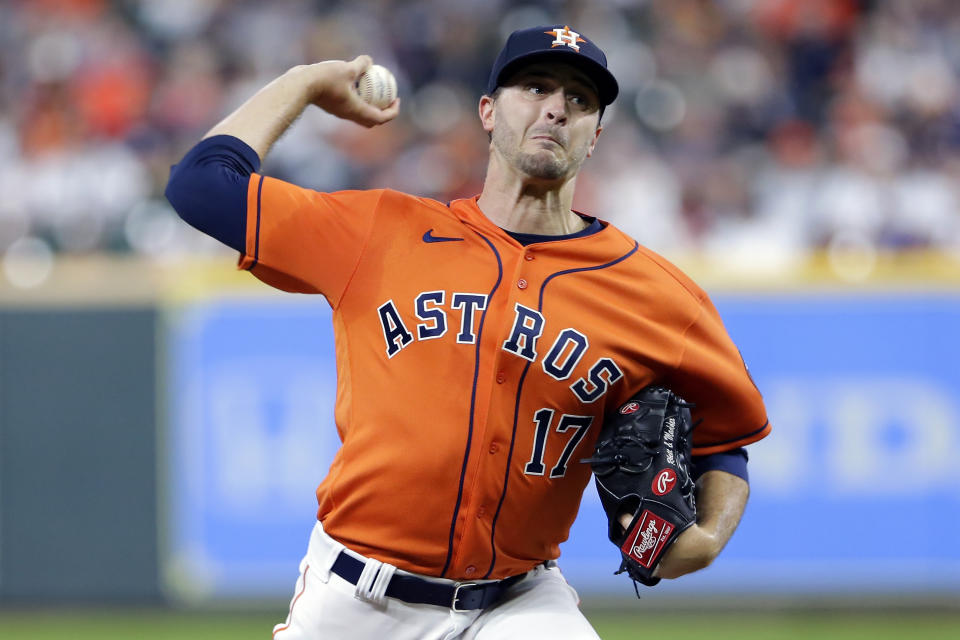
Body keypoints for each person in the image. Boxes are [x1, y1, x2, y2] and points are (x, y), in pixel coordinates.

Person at [165, 24, 770, 640]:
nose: (556, 108)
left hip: (520, 604)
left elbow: (725, 438)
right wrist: (307, 83)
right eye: (535, 87)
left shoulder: (658, 295)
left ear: (595, 137)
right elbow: (200, 186)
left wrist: (708, 537)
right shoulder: (381, 230)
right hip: (354, 601)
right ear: (487, 111)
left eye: (581, 100)